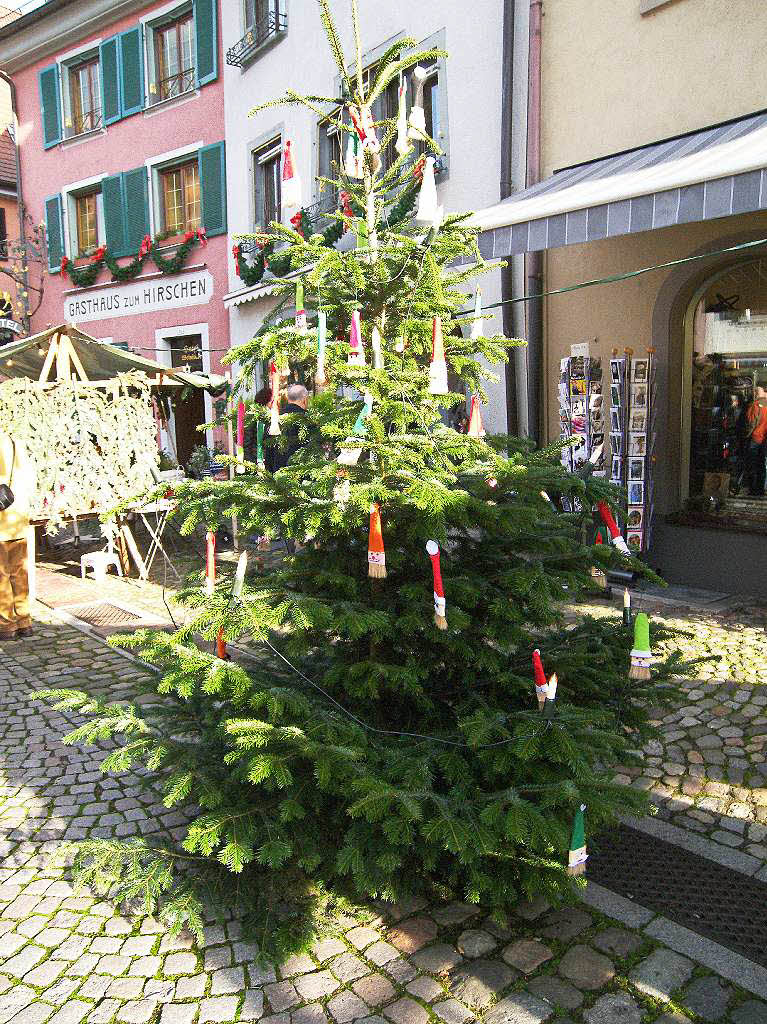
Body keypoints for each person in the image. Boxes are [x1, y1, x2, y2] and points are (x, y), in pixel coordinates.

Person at [0, 431, 36, 641]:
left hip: (3, 521)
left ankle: (6, 625)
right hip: (19, 518)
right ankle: (24, 621)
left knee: (2, 575)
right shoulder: (16, 442)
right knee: (19, 573)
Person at [273, 383, 309, 470]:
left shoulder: (276, 418)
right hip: (301, 469)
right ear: (305, 400)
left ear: (288, 399)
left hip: (278, 469)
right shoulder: (306, 419)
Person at [745, 384, 767, 497]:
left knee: (752, 464)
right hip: (764, 440)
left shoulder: (756, 405)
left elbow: (751, 422)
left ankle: (753, 490)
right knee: (762, 464)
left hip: (755, 438)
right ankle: (761, 489)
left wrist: (746, 435)